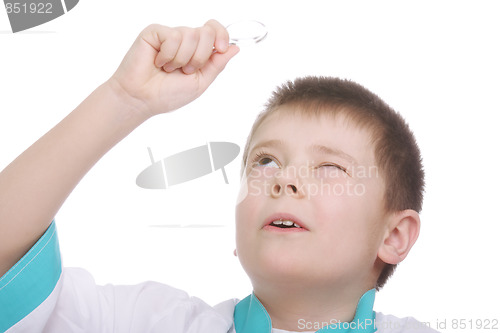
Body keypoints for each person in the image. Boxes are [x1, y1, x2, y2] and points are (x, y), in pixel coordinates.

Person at [0, 20, 438, 333]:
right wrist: (124, 100)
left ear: (395, 236)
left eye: (329, 168)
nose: (284, 182)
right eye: (265, 162)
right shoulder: (149, 321)